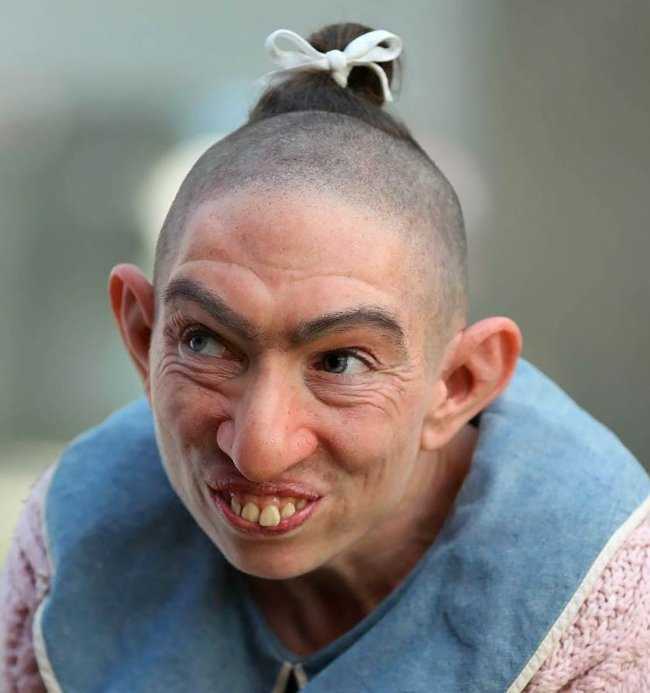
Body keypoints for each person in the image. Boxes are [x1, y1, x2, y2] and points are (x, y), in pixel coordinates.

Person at [1, 22, 649, 693]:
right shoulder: (73, 547)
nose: (259, 450)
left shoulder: (596, 600)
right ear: (143, 335)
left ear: (458, 385)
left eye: (339, 363)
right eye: (204, 342)